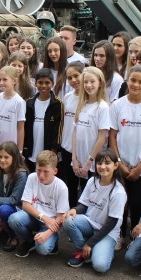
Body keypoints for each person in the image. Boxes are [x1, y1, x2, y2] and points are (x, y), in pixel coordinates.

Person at [109, 65, 141, 251]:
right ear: (127, 81)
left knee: (138, 204)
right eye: (133, 80)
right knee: (119, 202)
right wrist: (119, 163)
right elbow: (112, 136)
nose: (136, 85)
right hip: (120, 164)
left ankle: (135, 236)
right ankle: (119, 234)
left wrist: (140, 168)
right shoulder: (117, 105)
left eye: (140, 82)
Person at [63, 148, 127, 273]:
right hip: (90, 222)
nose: (102, 167)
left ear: (116, 166)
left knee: (100, 266)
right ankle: (83, 252)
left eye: (107, 163)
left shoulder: (118, 192)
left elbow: (111, 223)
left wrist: (90, 243)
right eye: (99, 163)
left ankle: (97, 248)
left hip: (108, 231)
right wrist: (75, 210)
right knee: (68, 220)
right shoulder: (92, 181)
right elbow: (84, 205)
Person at [8, 150, 69, 257]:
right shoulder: (32, 177)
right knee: (14, 219)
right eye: (38, 170)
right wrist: (44, 218)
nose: (41, 175)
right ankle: (30, 241)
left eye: (46, 171)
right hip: (36, 217)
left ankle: (52, 241)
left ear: (55, 171)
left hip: (52, 223)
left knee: (42, 249)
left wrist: (47, 234)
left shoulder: (61, 187)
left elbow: (60, 217)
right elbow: (25, 204)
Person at [71, 66, 110, 201]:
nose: (88, 85)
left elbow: (102, 138)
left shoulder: (103, 107)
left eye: (92, 81)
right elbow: (75, 132)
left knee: (92, 197)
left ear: (100, 83)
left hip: (93, 163)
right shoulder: (82, 104)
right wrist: (74, 158)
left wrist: (89, 161)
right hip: (79, 161)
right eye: (86, 82)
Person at [23, 68, 63, 173]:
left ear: (53, 83)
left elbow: (58, 129)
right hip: (32, 147)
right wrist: (25, 147)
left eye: (47, 83)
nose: (43, 86)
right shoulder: (29, 102)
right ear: (35, 83)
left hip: (47, 148)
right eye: (40, 82)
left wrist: (53, 150)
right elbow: (25, 127)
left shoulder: (57, 104)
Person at [59, 61, 83, 207]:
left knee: (85, 187)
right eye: (69, 78)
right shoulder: (67, 97)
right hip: (67, 147)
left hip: (84, 150)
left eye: (76, 76)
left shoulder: (89, 98)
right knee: (70, 185)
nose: (73, 80)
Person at [0, 66, 26, 160]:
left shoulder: (19, 102)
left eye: (5, 79)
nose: (1, 82)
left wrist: (20, 151)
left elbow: (20, 128)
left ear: (14, 81)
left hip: (11, 148)